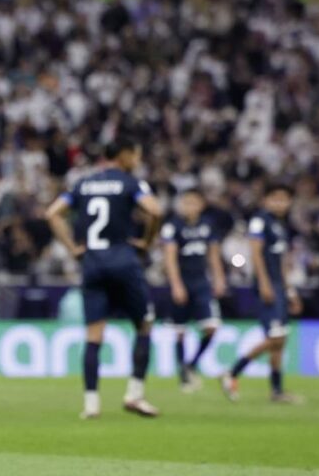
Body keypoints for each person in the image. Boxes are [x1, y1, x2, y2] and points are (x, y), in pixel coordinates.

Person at [45, 136, 163, 420]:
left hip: (92, 264)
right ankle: (134, 395)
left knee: (94, 334)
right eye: (135, 154)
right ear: (123, 155)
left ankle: (91, 404)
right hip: (124, 261)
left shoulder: (83, 183)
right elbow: (155, 210)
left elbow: (52, 213)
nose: (137, 161)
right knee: (144, 325)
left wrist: (73, 248)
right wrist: (146, 241)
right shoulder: (129, 182)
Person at [222, 184, 303, 403]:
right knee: (275, 337)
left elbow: (283, 261)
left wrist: (290, 291)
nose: (280, 203)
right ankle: (232, 372)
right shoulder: (260, 220)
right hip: (266, 285)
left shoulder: (280, 226)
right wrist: (264, 284)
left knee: (281, 339)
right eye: (275, 198)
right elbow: (255, 253)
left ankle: (277, 391)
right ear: (265, 200)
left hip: (279, 285)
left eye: (284, 199)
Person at [161, 189, 226, 392]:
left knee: (211, 327)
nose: (189, 207)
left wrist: (219, 279)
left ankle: (192, 364)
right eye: (186, 203)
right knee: (180, 331)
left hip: (201, 283)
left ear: (201, 205)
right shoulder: (172, 226)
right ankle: (183, 375)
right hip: (182, 281)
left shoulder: (208, 225)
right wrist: (176, 284)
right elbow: (169, 258)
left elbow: (213, 255)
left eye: (193, 203)